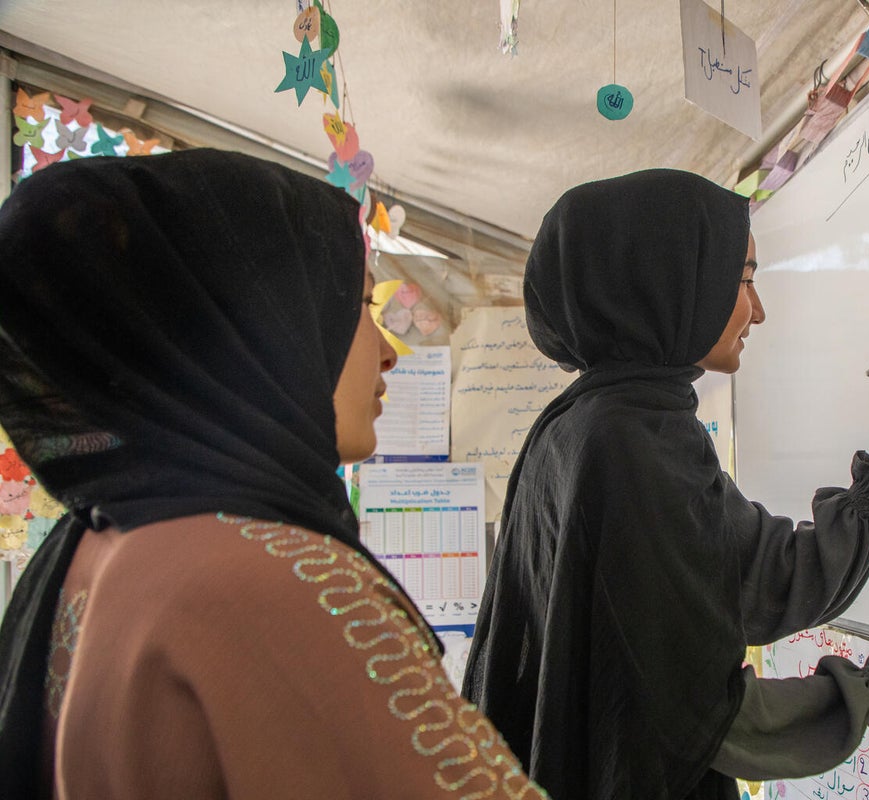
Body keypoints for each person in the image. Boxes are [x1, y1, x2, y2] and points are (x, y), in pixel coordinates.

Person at [0, 150, 546, 799]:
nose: (390, 352)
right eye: (357, 306)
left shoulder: (96, 540)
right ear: (254, 327)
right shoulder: (268, 577)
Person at [461, 169, 869, 799]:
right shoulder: (628, 443)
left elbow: (762, 580)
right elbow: (697, 716)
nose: (760, 310)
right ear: (666, 278)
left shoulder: (593, 427)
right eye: (744, 278)